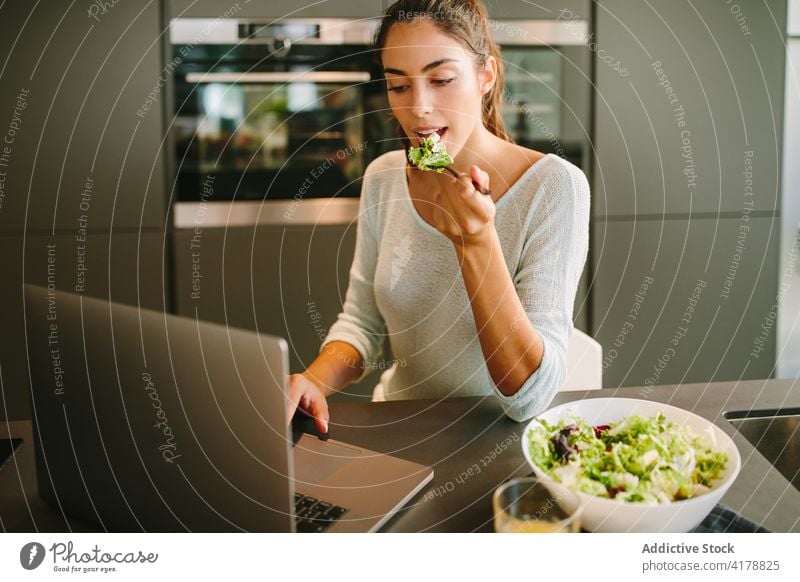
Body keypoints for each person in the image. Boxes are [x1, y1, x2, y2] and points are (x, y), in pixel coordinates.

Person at [287, 0, 590, 434]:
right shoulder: (384, 176)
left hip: (500, 442)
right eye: (399, 87)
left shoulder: (554, 187)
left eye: (441, 79)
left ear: (484, 76)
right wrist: (311, 382)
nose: (418, 108)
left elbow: (529, 397)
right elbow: (363, 321)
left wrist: (476, 240)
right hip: (401, 427)